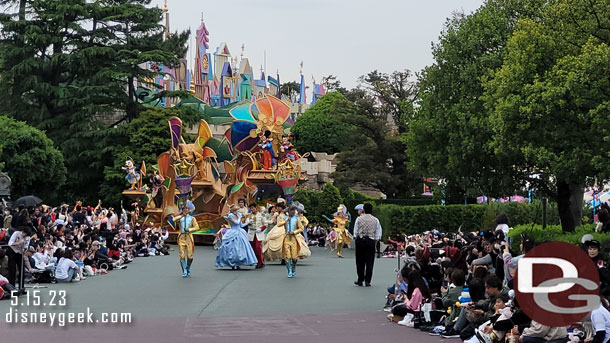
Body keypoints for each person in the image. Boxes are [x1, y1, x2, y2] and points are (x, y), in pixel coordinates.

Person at [215, 205, 258, 269]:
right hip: (233, 231)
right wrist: (240, 217)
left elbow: (241, 225)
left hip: (240, 231)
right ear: (233, 211)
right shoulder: (230, 216)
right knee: (232, 248)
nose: (237, 211)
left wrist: (248, 222)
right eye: (236, 210)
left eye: (237, 210)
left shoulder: (238, 215)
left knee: (241, 248)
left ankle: (238, 263)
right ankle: (232, 263)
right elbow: (236, 222)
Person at [353, 203, 382, 287]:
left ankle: (360, 279)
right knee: (370, 262)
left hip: (360, 240)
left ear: (364, 209)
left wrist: (356, 238)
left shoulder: (359, 219)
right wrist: (375, 241)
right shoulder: (376, 220)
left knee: (359, 261)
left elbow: (355, 231)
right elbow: (378, 232)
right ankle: (368, 281)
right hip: (370, 241)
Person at [175, 202, 199, 277]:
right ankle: (184, 271)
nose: (185, 210)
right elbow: (173, 219)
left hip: (189, 237)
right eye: (183, 209)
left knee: (190, 256)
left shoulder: (192, 218)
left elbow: (197, 227)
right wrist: (181, 215)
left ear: (189, 210)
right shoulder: (180, 218)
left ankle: (188, 267)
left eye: (186, 209)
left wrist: (189, 229)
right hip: (181, 237)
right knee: (182, 255)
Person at [282, 205, 304, 278]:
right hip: (286, 238)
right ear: (289, 211)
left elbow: (301, 228)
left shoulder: (297, 219)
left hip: (293, 239)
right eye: (291, 210)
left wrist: (294, 232)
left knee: (294, 257)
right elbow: (278, 224)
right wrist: (285, 221)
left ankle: (294, 267)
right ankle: (289, 271)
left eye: (294, 210)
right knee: (287, 256)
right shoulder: (285, 219)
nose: (293, 212)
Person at [247, 204, 267, 269]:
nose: (252, 209)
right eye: (250, 208)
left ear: (256, 208)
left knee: (258, 247)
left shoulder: (261, 215)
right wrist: (248, 223)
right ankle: (257, 262)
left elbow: (265, 224)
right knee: (253, 248)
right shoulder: (249, 215)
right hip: (251, 233)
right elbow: (245, 223)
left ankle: (261, 262)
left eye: (253, 207)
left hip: (258, 233)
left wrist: (261, 228)